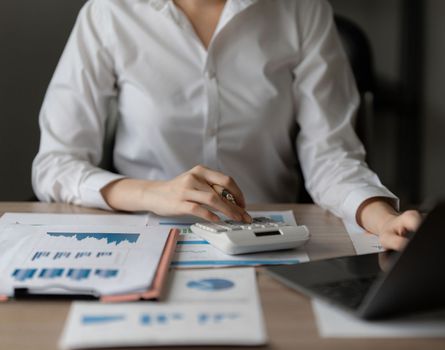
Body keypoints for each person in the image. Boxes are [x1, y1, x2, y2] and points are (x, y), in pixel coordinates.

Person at [32, 0, 422, 251]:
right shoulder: (109, 12)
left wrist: (382, 218)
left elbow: (331, 153)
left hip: (270, 242)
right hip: (146, 238)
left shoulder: (302, 9)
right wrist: (152, 193)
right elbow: (54, 164)